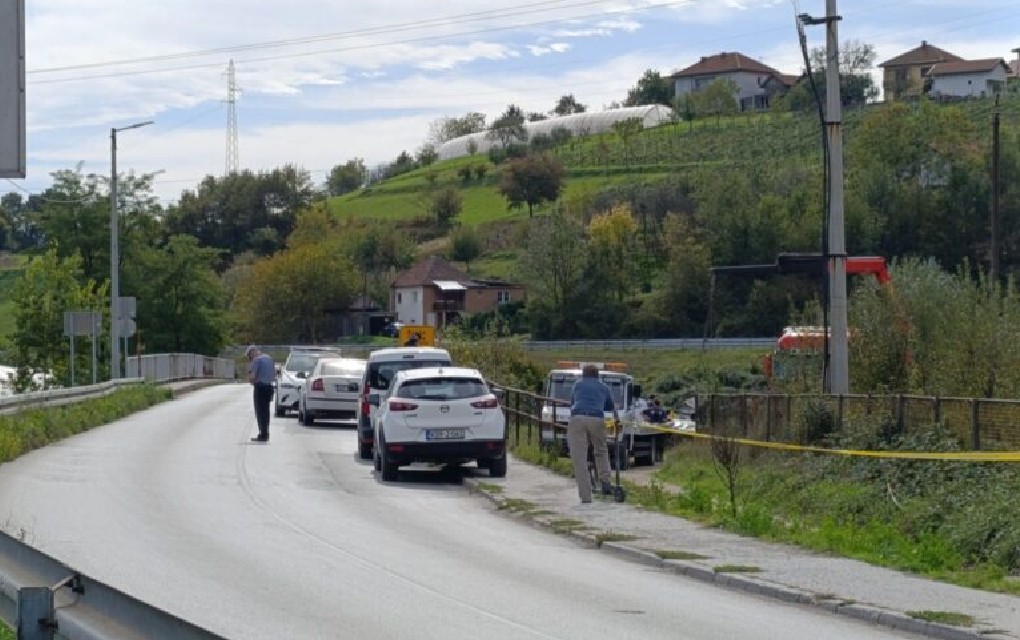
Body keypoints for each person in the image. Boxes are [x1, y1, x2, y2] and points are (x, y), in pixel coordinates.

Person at [567, 364, 619, 504]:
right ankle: (605, 481)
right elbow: (608, 406)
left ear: (583, 374)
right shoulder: (603, 387)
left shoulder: (577, 385)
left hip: (578, 418)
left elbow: (572, 402)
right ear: (597, 375)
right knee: (601, 450)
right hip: (596, 418)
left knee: (580, 458)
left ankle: (586, 496)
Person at [246, 345, 275, 443]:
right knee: (266, 411)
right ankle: (266, 433)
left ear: (252, 353)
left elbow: (252, 377)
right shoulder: (269, 358)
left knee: (260, 411)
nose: (250, 358)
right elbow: (273, 374)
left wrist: (250, 379)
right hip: (269, 387)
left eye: (249, 356)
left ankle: (262, 434)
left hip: (260, 387)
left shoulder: (256, 360)